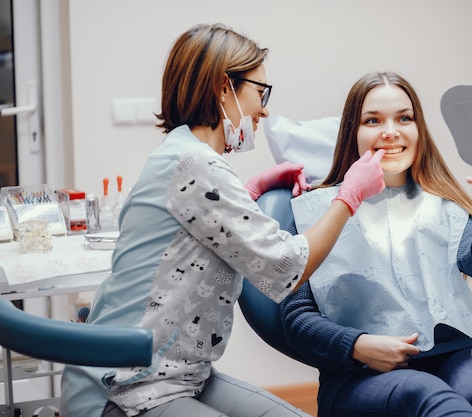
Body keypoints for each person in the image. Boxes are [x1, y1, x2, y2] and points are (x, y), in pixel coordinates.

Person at [60, 24, 385, 417]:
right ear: (223, 87)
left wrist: (247, 192)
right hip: (127, 384)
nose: (265, 108)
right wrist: (349, 196)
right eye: (260, 91)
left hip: (183, 375)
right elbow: (287, 266)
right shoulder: (198, 164)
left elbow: (192, 232)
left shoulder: (182, 153)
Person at [280, 72, 472, 417]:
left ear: (419, 129)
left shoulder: (443, 203)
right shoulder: (316, 212)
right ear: (353, 132)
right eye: (373, 120)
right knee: (432, 399)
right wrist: (357, 345)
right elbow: (296, 318)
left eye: (404, 118)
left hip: (458, 353)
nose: (391, 131)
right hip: (362, 373)